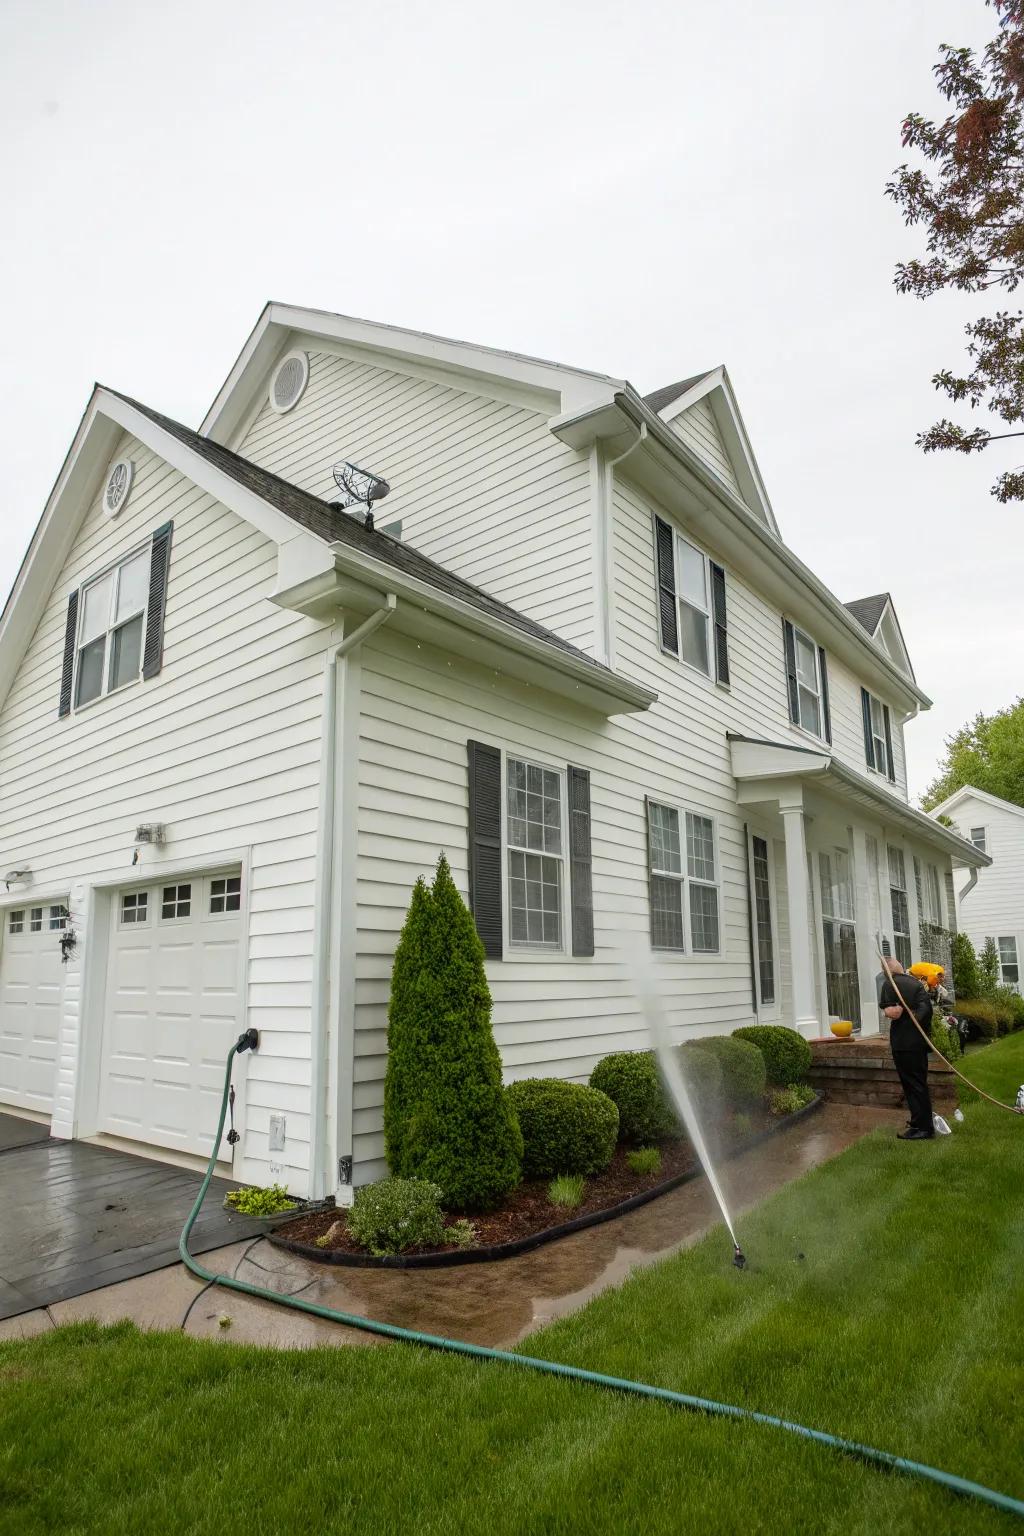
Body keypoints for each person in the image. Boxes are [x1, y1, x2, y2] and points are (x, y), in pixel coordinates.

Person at [879, 959, 934, 1140]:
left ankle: (923, 1129)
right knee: (919, 1084)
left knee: (912, 1086)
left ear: (887, 971)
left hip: (903, 1045)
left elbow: (892, 1013)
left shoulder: (890, 984)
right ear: (900, 967)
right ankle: (920, 1121)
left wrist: (891, 1011)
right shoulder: (916, 983)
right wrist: (915, 1020)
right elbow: (926, 1010)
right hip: (919, 1043)